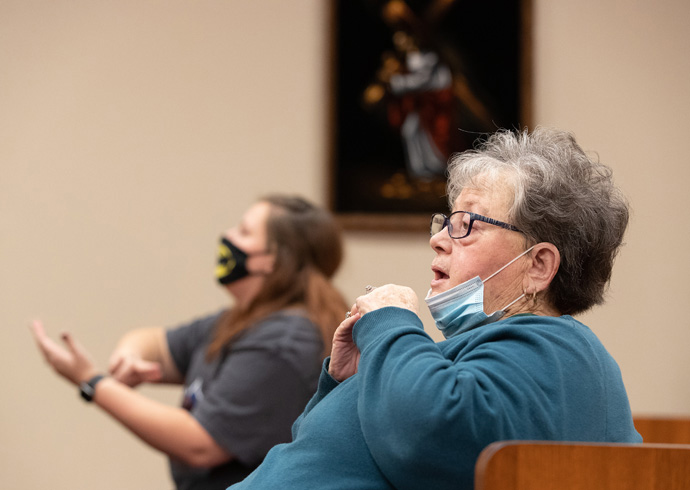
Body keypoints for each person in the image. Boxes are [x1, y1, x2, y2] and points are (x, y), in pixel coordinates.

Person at [227, 128, 642, 490]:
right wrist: (345, 381)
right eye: (444, 222)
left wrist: (391, 324)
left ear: (538, 266)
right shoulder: (485, 350)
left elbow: (433, 437)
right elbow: (311, 447)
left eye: (467, 225)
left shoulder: (554, 348)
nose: (439, 239)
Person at [30, 194, 348, 490]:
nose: (228, 236)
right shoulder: (240, 320)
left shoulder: (285, 343)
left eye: (244, 231)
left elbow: (199, 445)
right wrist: (130, 354)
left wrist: (92, 382)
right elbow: (154, 341)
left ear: (272, 261)